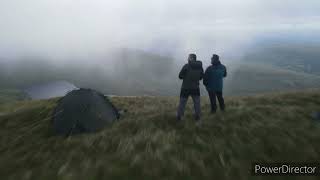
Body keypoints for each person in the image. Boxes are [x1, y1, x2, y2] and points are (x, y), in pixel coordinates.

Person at [177, 54, 204, 121]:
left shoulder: (186, 66)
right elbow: (201, 77)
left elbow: (180, 76)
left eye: (189, 57)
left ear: (192, 58)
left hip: (185, 87)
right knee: (197, 103)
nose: (188, 58)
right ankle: (198, 116)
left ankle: (180, 116)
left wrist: (186, 77)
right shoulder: (200, 67)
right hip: (195, 88)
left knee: (182, 103)